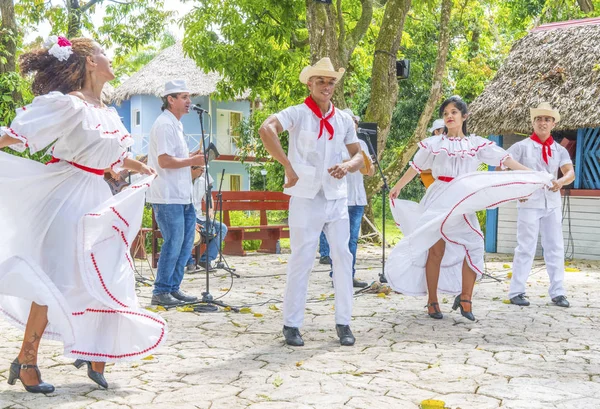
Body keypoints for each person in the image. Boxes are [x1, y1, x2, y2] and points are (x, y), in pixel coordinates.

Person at [0, 36, 163, 393]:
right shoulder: (69, 106)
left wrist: (144, 168)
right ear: (91, 62)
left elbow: (113, 159)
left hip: (97, 198)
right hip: (67, 196)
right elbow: (15, 135)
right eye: (105, 53)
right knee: (54, 279)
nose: (110, 58)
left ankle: (93, 350)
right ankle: (26, 360)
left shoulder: (106, 111)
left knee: (106, 273)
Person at [386, 96, 552, 321]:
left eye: (454, 112)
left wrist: (532, 175)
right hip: (439, 196)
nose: (449, 116)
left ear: (464, 116)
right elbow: (415, 168)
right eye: (445, 113)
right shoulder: (434, 143)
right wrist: (397, 187)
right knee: (435, 251)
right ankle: (432, 301)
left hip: (462, 197)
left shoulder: (475, 144)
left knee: (475, 244)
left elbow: (505, 159)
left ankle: (465, 298)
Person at [259, 57, 364, 347]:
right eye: (321, 81)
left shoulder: (342, 118)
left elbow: (358, 156)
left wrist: (347, 165)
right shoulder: (297, 113)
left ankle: (344, 322)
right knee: (302, 258)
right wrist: (287, 166)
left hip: (336, 197)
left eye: (331, 82)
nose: (327, 86)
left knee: (343, 257)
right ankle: (291, 324)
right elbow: (266, 129)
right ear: (310, 83)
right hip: (305, 196)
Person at [506, 103, 574, 308]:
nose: (543, 122)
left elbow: (570, 173)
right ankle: (516, 291)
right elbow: (503, 165)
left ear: (553, 123)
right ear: (533, 122)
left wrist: (561, 181)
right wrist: (518, 190)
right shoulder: (521, 147)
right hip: (529, 203)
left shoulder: (559, 149)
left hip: (551, 203)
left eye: (547, 119)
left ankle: (558, 292)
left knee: (555, 247)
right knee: (525, 246)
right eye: (539, 119)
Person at [146, 79, 205, 307]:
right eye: (184, 97)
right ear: (170, 100)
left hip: (182, 195)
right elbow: (165, 161)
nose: (190, 101)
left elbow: (175, 158)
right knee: (173, 242)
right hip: (168, 196)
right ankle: (160, 291)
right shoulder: (164, 124)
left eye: (189, 97)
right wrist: (192, 160)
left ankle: (173, 288)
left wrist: (192, 158)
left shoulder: (176, 125)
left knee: (185, 243)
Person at [319, 108, 374, 288]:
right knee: (339, 240)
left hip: (357, 198)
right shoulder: (332, 142)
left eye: (354, 121)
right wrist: (349, 163)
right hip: (340, 197)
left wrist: (367, 163)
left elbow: (369, 172)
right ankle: (337, 275)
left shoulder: (362, 145)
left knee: (352, 240)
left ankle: (348, 275)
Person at [186, 165, 228, 272]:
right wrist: (192, 222)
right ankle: (189, 262)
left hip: (200, 218)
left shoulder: (203, 181)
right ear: (192, 168)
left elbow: (209, 198)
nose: (203, 171)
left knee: (222, 228)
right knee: (187, 229)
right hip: (186, 217)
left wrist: (210, 210)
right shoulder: (183, 181)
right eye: (201, 169)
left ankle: (205, 260)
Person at [420, 119, 446, 188]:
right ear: (436, 132)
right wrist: (436, 170)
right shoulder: (428, 147)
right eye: (445, 131)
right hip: (434, 184)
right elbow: (419, 168)